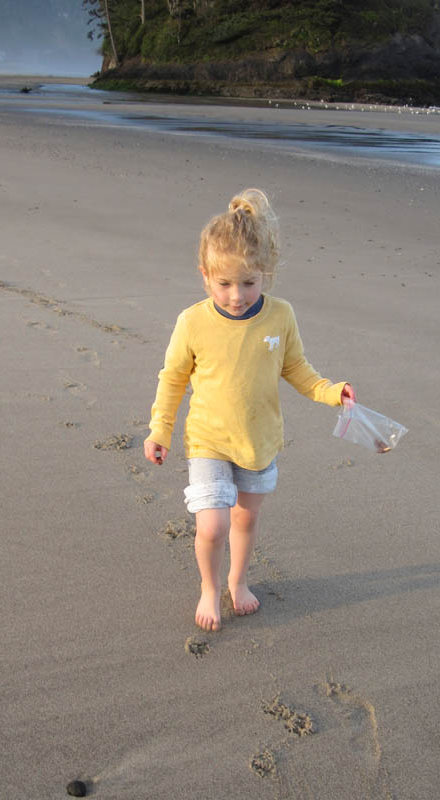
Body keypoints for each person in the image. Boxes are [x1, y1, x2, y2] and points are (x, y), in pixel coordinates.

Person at [144, 188, 355, 631]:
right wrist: (159, 430)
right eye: (224, 284)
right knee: (212, 526)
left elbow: (297, 370)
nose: (237, 295)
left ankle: (237, 581)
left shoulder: (280, 316)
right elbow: (173, 378)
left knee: (245, 517)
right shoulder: (193, 322)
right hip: (208, 439)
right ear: (205, 275)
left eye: (249, 282)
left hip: (258, 441)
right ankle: (209, 588)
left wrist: (332, 392)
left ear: (266, 274)